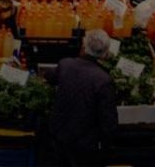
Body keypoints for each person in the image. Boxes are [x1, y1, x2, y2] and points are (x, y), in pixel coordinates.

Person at [46, 29, 117, 166]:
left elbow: (49, 76)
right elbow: (108, 121)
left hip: (59, 136)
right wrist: (107, 147)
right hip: (85, 145)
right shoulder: (104, 80)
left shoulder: (66, 64)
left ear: (83, 47)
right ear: (106, 53)